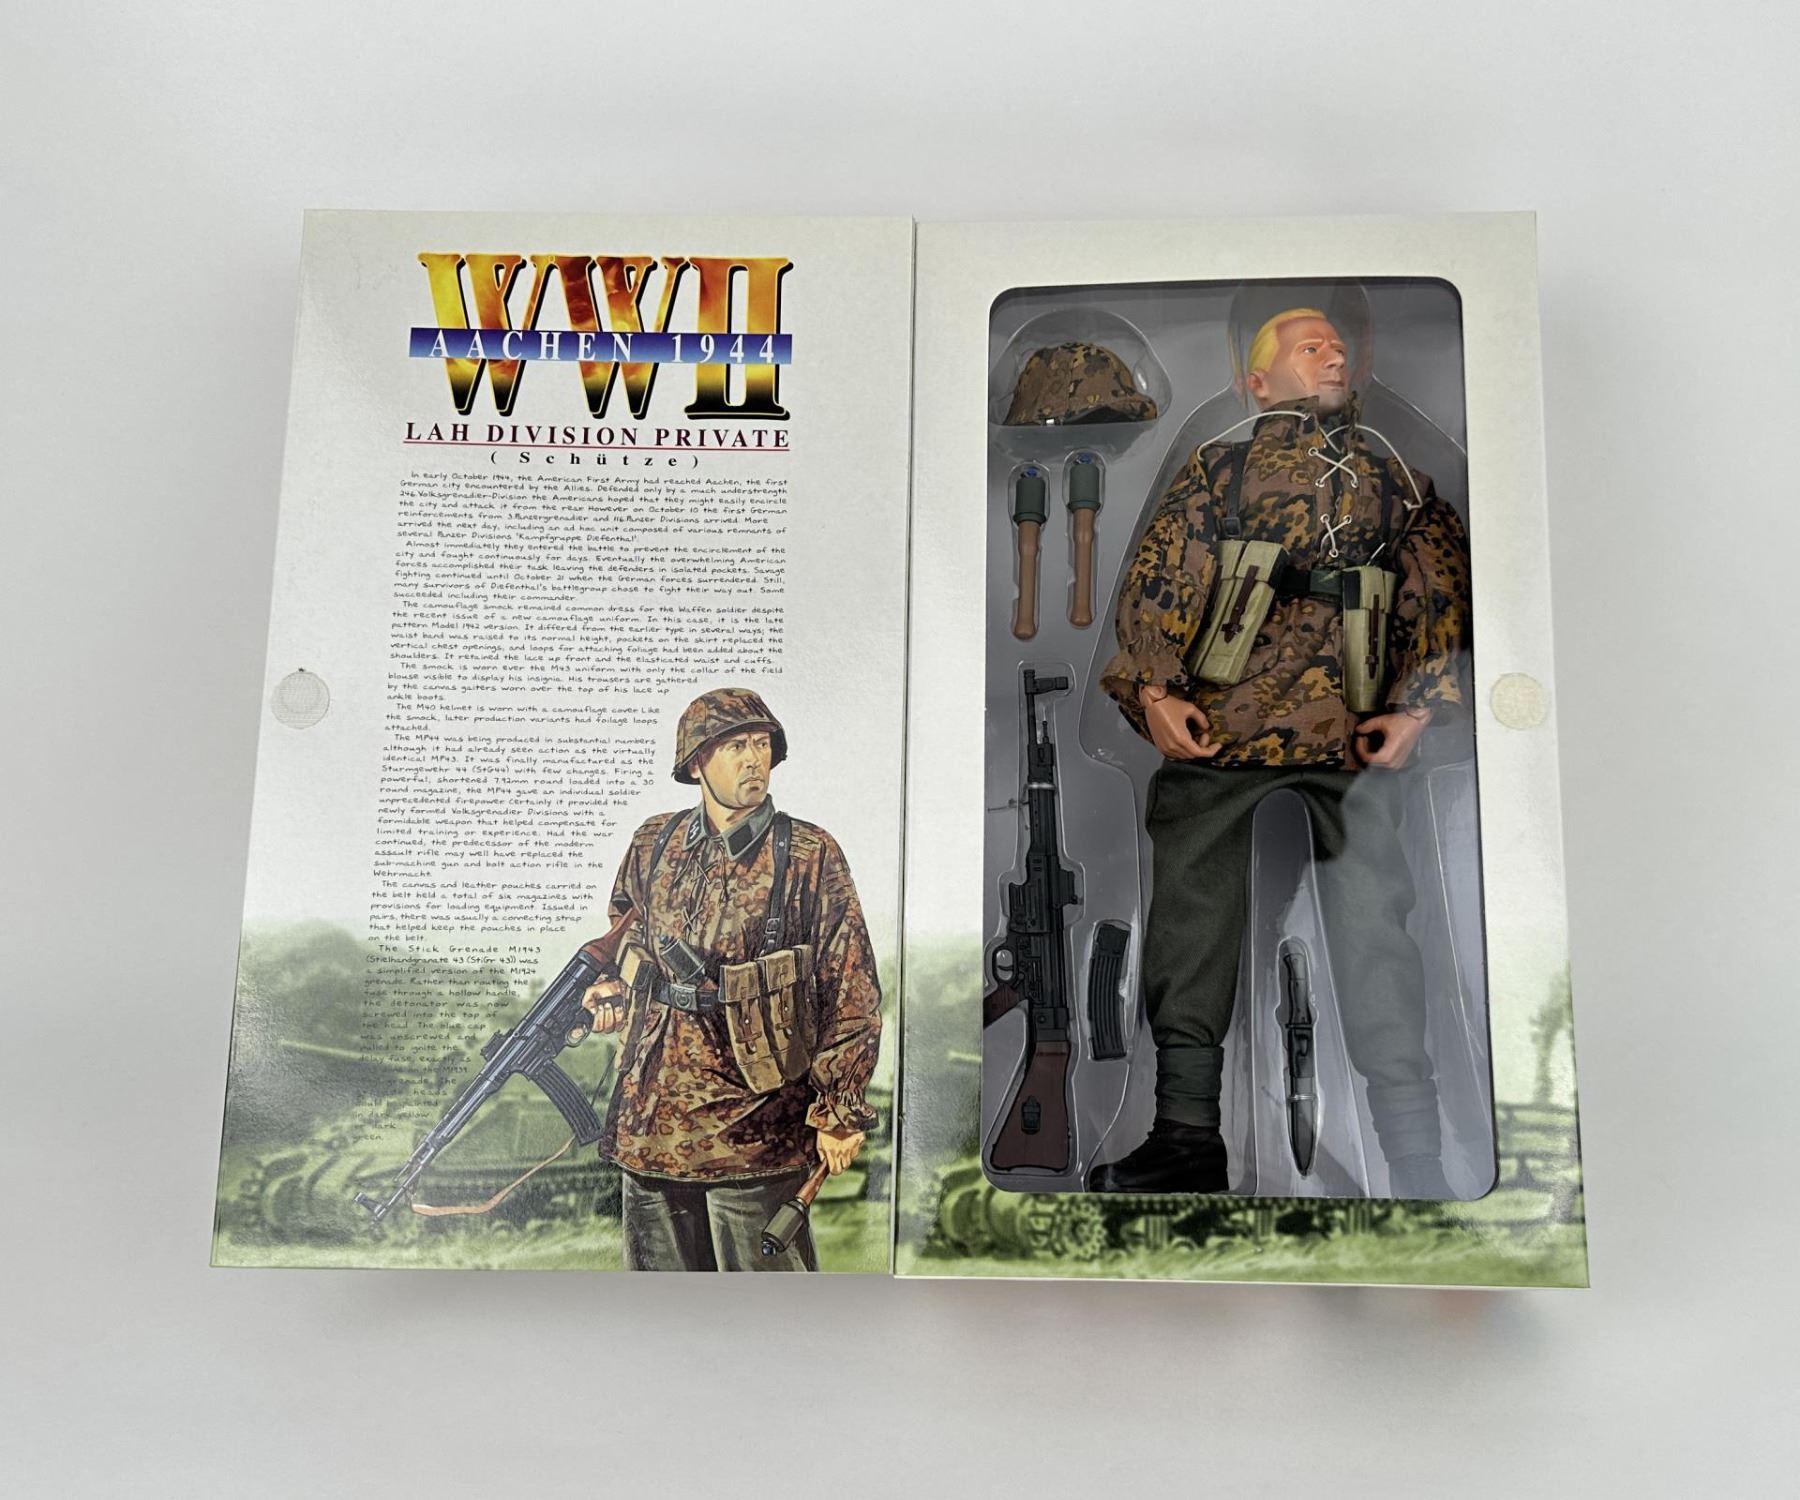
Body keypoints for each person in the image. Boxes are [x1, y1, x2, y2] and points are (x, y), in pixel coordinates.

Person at [1089, 309, 1472, 1199]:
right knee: (1190, 923)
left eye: (1337, 346)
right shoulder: (1219, 472)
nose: (1332, 355)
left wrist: (1417, 709)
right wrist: (1156, 692)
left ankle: (1415, 1156)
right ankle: (1186, 1134)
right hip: (1224, 728)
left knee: (1378, 938)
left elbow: (1438, 588)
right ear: (1255, 383)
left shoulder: (1396, 481)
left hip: (1351, 734)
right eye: (1308, 347)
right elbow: (1164, 575)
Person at [580, 688, 881, 1269]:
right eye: (735, 746)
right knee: (659, 1309)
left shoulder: (808, 853)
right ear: (697, 763)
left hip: (757, 1134)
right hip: (650, 1126)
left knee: (768, 1310)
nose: (753, 760)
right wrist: (613, 991)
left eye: (762, 745)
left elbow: (850, 988)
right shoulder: (653, 843)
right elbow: (626, 936)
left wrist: (840, 1110)